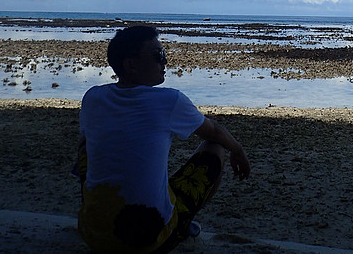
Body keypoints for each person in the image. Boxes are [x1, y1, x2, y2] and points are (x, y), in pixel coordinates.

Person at [76, 24, 251, 253]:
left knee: (86, 145)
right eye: (158, 56)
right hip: (151, 240)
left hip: (93, 236)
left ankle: (99, 210)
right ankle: (181, 223)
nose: (165, 62)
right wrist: (238, 150)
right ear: (131, 65)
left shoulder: (92, 98)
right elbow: (215, 132)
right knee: (217, 147)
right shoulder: (169, 101)